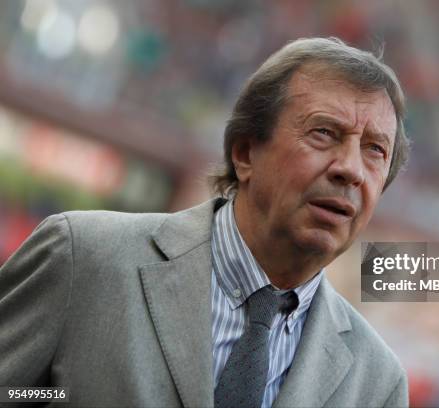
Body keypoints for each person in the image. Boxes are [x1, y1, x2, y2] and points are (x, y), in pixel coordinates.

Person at [0, 37, 410, 407]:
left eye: (376, 150)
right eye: (324, 132)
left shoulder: (377, 384)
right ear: (246, 153)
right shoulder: (84, 257)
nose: (351, 170)